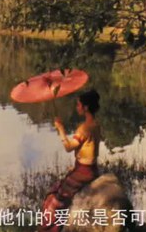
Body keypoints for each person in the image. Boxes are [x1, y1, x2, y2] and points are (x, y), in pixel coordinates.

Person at [39, 89, 102, 232]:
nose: (77, 107)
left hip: (83, 172)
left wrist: (60, 129)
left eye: (79, 105)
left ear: (85, 108)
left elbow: (68, 147)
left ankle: (46, 230)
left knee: (54, 202)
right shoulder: (96, 125)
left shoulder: (84, 129)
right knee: (57, 189)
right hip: (92, 169)